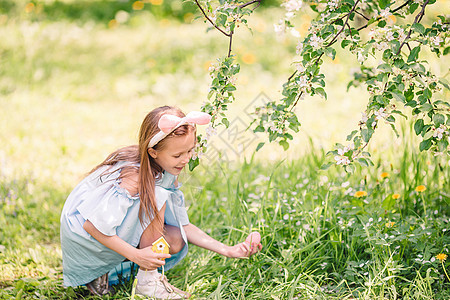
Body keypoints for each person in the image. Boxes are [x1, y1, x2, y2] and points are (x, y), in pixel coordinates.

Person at [60, 106, 263, 299]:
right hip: (85, 234)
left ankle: (106, 273)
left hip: (104, 228)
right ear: (153, 152)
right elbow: (93, 226)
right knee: (157, 196)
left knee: (175, 239)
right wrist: (136, 255)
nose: (185, 160)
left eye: (190, 151)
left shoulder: (166, 170)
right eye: (177, 155)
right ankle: (147, 281)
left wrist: (227, 250)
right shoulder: (134, 177)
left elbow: (184, 226)